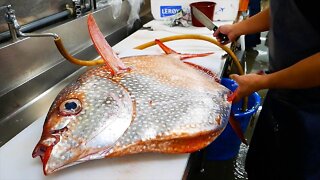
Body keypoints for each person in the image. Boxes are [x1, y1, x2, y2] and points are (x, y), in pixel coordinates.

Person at [213, 1, 320, 179]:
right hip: (282, 89)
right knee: (263, 167)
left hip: (312, 109)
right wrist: (237, 28)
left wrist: (264, 81)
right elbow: (285, 9)